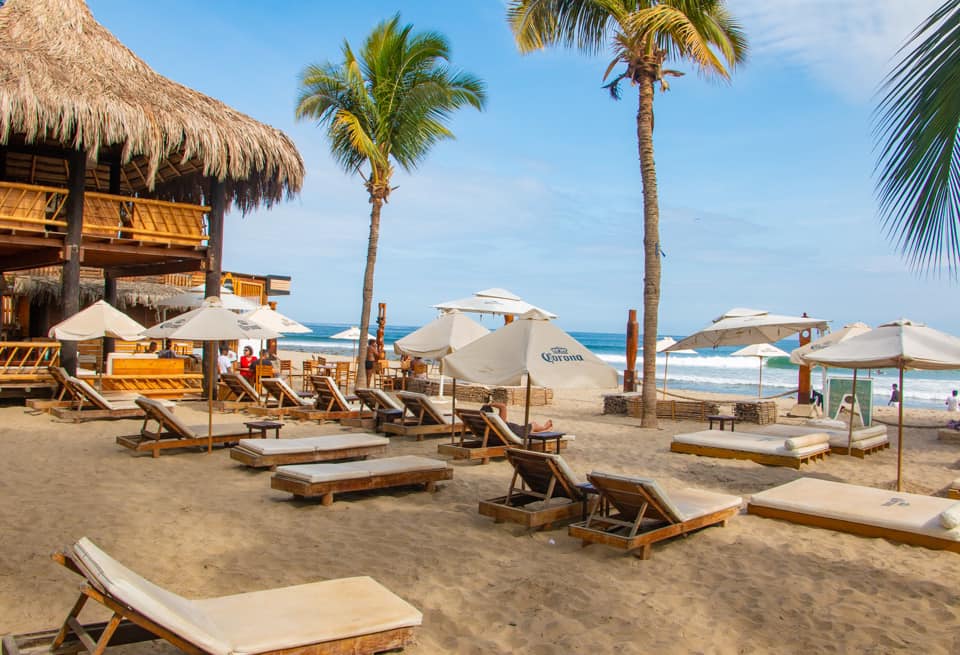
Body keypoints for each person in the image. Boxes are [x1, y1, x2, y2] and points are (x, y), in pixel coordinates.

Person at [480, 400, 554, 438]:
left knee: (531, 427)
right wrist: (490, 404)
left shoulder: (486, 422)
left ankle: (543, 429)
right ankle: (545, 428)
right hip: (517, 432)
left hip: (514, 431)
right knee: (533, 424)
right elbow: (503, 406)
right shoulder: (499, 421)